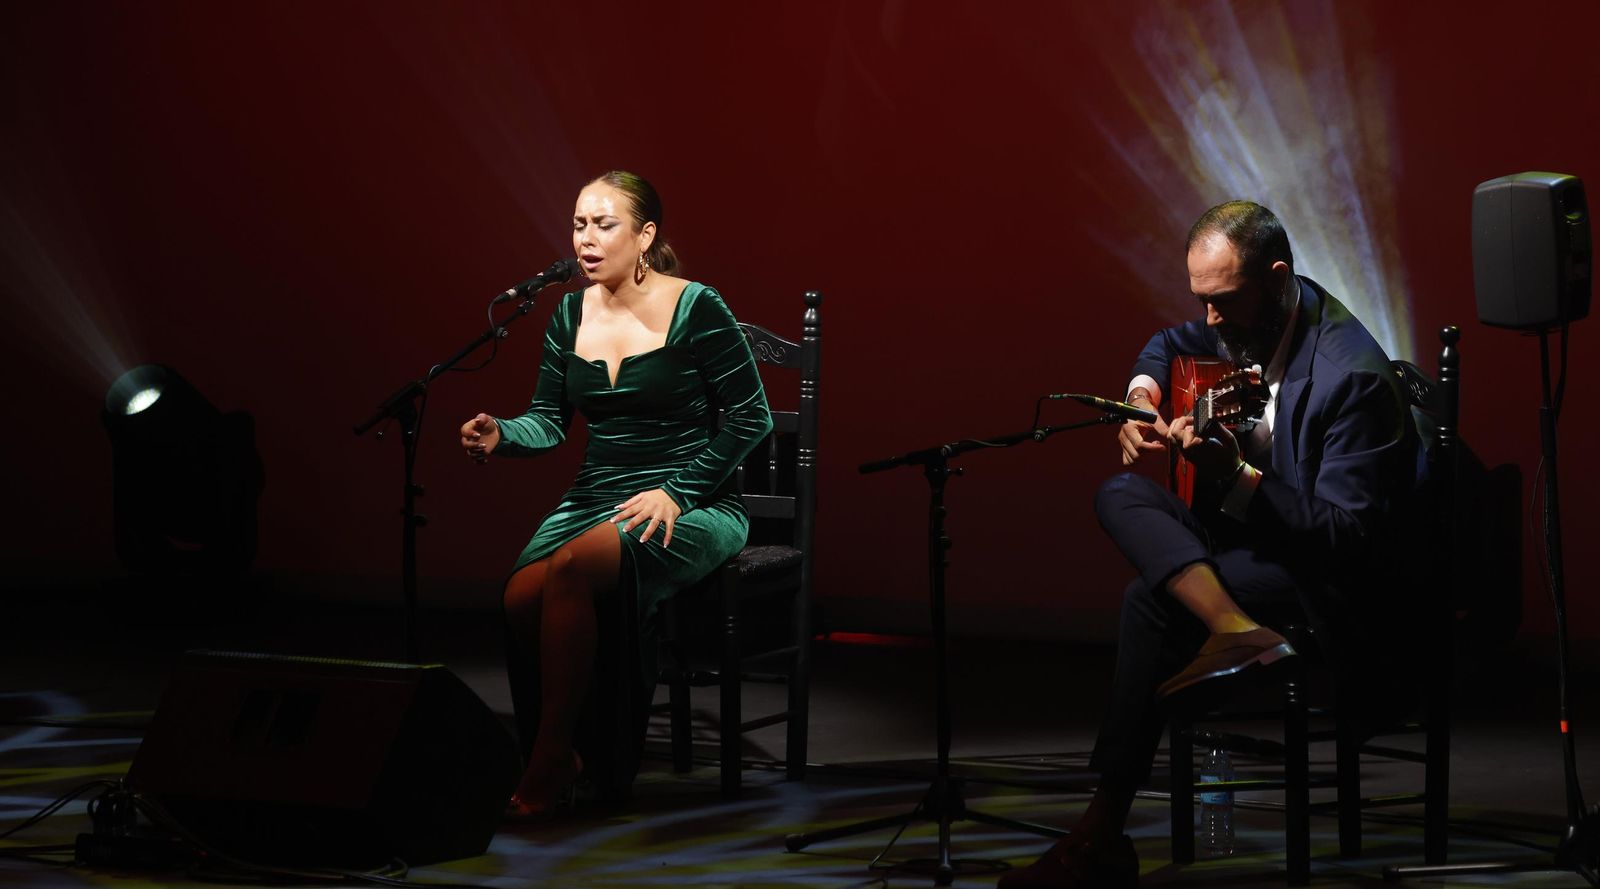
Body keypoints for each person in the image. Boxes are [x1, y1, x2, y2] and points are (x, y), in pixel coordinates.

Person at [1001, 201, 1421, 888]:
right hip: (1252, 545)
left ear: (1278, 278)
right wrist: (1141, 399)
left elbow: (1349, 539)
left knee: (1152, 600)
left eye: (1221, 302)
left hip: (1326, 582)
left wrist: (1239, 476)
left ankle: (1104, 827)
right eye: (1203, 300)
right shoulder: (1249, 318)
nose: (1211, 320)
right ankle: (1233, 627)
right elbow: (1167, 345)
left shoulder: (1352, 377)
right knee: (1119, 490)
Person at [459, 171, 772, 818]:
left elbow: (752, 417)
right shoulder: (568, 311)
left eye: (604, 225)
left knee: (572, 568)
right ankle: (582, 743)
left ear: (645, 234)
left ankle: (550, 758)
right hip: (597, 492)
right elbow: (548, 418)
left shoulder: (696, 305)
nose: (587, 239)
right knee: (520, 594)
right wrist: (502, 434)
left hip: (697, 498)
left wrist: (679, 492)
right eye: (579, 224)